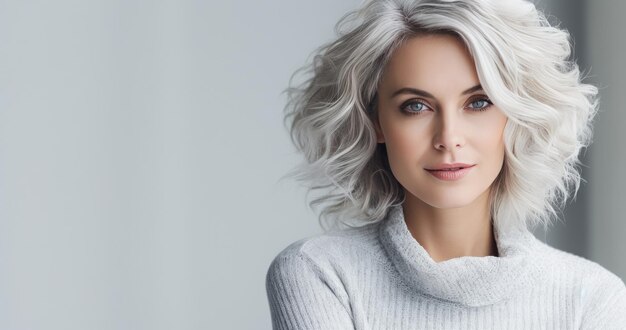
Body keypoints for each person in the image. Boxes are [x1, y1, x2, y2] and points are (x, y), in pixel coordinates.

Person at [265, 0, 626, 328]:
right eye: (416, 106)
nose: (448, 137)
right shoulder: (319, 272)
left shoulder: (590, 296)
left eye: (479, 102)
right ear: (376, 122)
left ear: (515, 116)